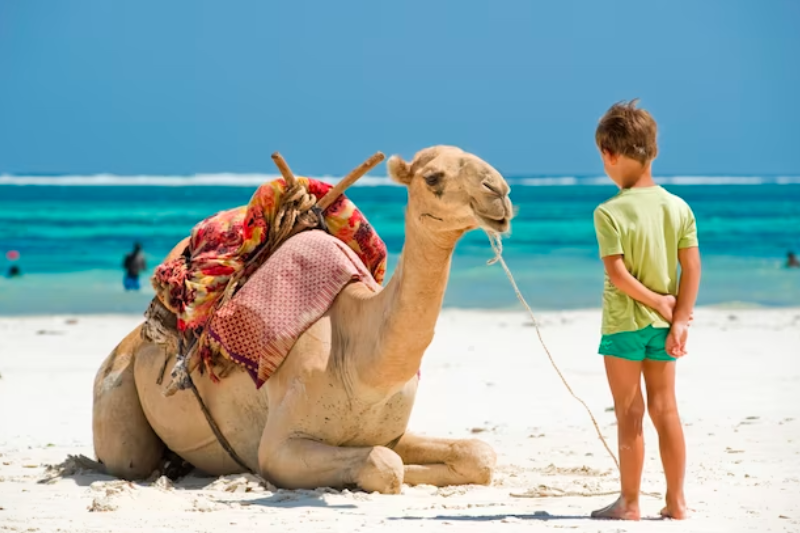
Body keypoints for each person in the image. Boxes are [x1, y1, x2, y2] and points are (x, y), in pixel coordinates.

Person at [590, 100, 701, 521]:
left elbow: (617, 275)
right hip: (664, 328)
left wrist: (655, 301)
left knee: (629, 412)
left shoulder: (608, 212)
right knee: (665, 408)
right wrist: (679, 318)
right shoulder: (678, 207)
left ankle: (630, 502)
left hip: (623, 327)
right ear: (653, 151)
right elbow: (691, 267)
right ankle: (676, 502)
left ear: (609, 155)